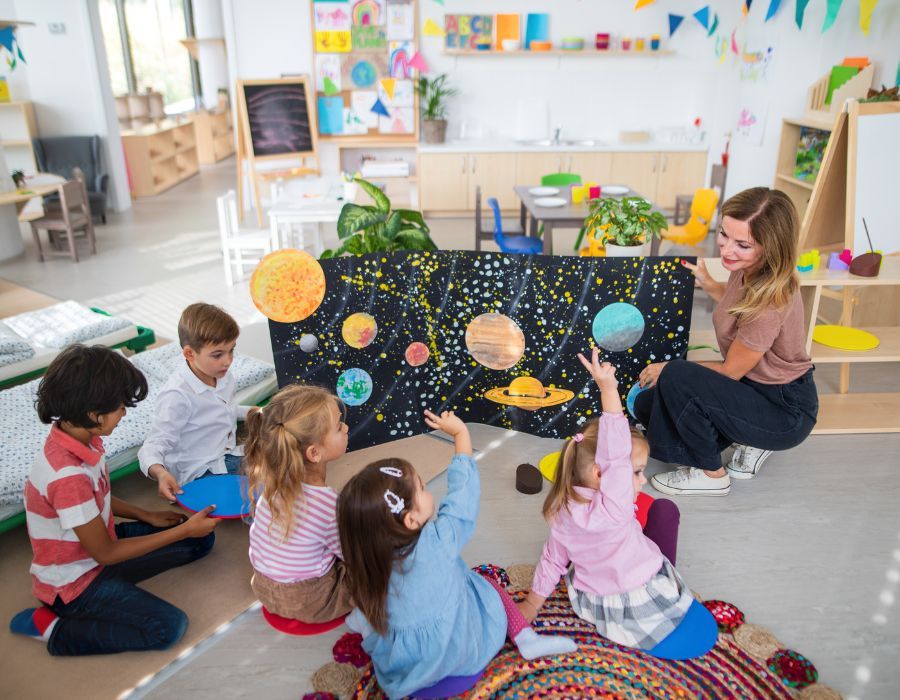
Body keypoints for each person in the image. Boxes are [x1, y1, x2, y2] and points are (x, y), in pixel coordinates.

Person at [337, 410, 576, 699]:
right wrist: (461, 435)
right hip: (463, 654)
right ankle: (526, 637)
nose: (428, 492)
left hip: (407, 671)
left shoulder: (365, 563)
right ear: (411, 520)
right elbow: (462, 495)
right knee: (486, 585)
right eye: (422, 488)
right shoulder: (440, 540)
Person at [10, 345, 218, 656]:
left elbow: (99, 495)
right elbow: (106, 553)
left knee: (201, 539)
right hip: (75, 582)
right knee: (169, 627)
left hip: (96, 548)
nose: (124, 413)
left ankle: (118, 587)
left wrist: (145, 515)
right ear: (94, 414)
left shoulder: (84, 437)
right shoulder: (66, 475)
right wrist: (181, 532)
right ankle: (55, 629)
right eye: (120, 406)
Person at [636, 187, 818, 496]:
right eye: (724, 235)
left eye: (742, 244)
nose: (727, 250)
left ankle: (712, 474)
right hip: (752, 387)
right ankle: (746, 437)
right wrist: (709, 283)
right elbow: (737, 308)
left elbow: (731, 370)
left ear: (771, 247)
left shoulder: (771, 301)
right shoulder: (747, 269)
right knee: (646, 406)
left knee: (677, 375)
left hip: (783, 407)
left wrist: (666, 368)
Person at [518, 349, 692, 650]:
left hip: (595, 599)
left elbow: (552, 559)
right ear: (603, 474)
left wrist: (533, 603)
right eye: (636, 471)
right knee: (664, 509)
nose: (644, 479)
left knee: (643, 508)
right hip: (639, 595)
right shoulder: (615, 506)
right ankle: (664, 571)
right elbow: (615, 452)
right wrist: (608, 390)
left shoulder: (561, 508)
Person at [244, 384, 353, 623]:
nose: (346, 427)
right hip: (311, 602)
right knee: (378, 564)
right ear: (314, 453)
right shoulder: (328, 505)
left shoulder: (271, 489)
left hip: (263, 589)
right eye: (338, 427)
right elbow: (353, 554)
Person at [139, 303, 251, 502]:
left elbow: (223, 411)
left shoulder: (223, 375)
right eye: (218, 354)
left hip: (226, 455)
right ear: (190, 354)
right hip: (199, 470)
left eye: (231, 350)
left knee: (282, 459)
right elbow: (153, 445)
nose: (228, 361)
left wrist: (255, 412)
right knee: (254, 495)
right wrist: (161, 473)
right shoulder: (176, 396)